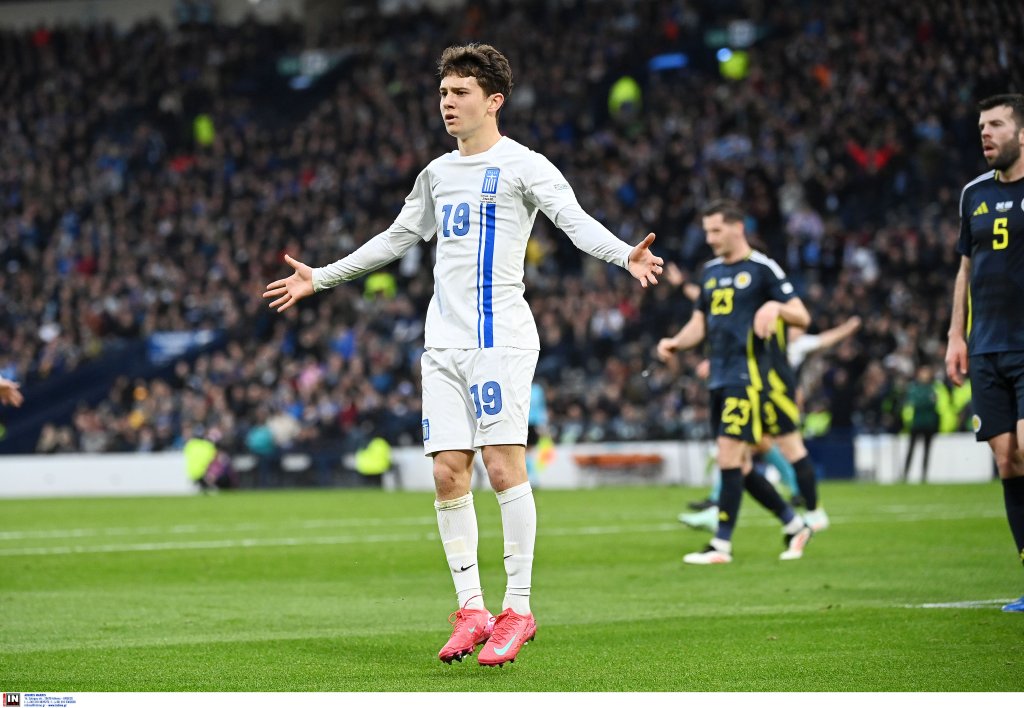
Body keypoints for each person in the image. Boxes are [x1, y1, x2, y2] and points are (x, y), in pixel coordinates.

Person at [264, 43, 664, 662]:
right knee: (448, 472)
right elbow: (395, 239)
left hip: (499, 338)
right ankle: (472, 609)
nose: (447, 104)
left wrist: (623, 254)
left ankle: (518, 609)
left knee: (502, 467)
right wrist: (322, 277)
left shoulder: (524, 165)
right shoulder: (436, 174)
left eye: (460, 93)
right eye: (443, 93)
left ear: (493, 101)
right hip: (442, 343)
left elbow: (573, 220)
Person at [657, 199, 812, 564]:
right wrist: (676, 342)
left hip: (749, 377)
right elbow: (700, 323)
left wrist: (776, 307)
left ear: (738, 227)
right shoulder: (710, 272)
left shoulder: (762, 268)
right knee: (739, 466)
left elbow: (802, 316)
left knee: (728, 454)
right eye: (707, 231)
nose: (710, 238)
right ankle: (794, 524)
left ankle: (720, 545)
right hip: (719, 377)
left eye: (716, 230)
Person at [945, 93, 1024, 614]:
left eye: (996, 124)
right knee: (1008, 461)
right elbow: (966, 267)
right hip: (987, 345)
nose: (986, 133)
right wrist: (956, 335)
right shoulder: (973, 194)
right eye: (981, 126)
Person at [901, 364, 940, 483]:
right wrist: (927, 401)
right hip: (916, 423)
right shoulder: (914, 388)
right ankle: (905, 475)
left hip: (929, 424)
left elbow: (934, 404)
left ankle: (924, 475)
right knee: (911, 450)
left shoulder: (933, 388)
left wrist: (926, 402)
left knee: (927, 451)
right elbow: (918, 403)